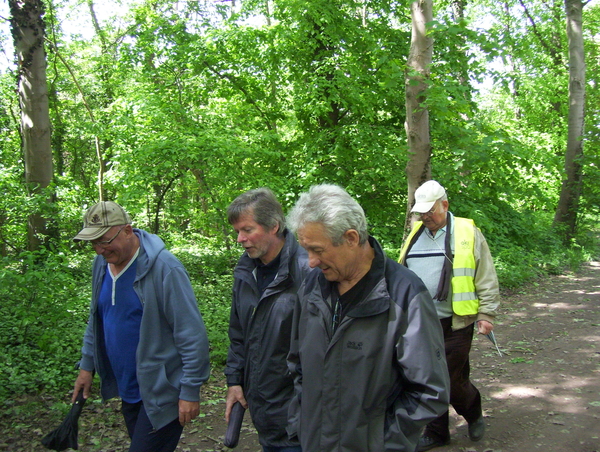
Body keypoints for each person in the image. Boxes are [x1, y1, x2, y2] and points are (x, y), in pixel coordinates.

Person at [285, 184, 450, 452]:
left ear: (351, 238)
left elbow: (430, 392)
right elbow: (297, 366)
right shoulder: (311, 287)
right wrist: (299, 426)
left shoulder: (404, 294)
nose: (311, 261)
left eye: (317, 249)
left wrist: (382, 444)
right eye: (306, 250)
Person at [72, 201, 210, 452]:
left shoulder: (165, 268)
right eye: (93, 243)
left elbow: (192, 334)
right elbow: (97, 319)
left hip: (161, 391)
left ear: (127, 230)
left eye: (104, 241)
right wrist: (86, 366)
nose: (99, 250)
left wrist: (190, 390)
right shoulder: (101, 266)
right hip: (128, 388)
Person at [398, 180, 500, 451]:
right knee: (427, 378)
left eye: (430, 211)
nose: (425, 217)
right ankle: (437, 432)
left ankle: (473, 412)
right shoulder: (414, 235)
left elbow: (485, 275)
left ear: (445, 204)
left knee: (450, 379)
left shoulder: (467, 232)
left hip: (457, 323)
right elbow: (402, 276)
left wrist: (486, 313)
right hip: (421, 323)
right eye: (421, 212)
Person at [225, 188, 309, 452]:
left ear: (274, 226)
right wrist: (235, 381)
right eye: (237, 231)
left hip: (300, 413)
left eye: (247, 230)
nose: (240, 239)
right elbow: (238, 332)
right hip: (264, 409)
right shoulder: (246, 270)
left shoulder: (308, 269)